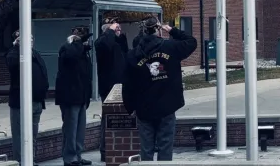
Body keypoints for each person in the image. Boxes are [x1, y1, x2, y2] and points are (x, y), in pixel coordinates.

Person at [122, 16, 197, 161]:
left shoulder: (133, 55)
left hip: (144, 108)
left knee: (146, 148)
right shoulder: (170, 47)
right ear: (158, 30)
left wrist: (130, 107)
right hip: (167, 106)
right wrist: (172, 30)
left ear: (144, 31)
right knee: (165, 146)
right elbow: (191, 42)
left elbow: (128, 84)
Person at [7, 30, 50, 166]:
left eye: (31, 38)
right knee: (20, 135)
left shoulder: (35, 54)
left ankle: (31, 159)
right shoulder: (14, 54)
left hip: (37, 101)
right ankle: (21, 161)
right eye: (26, 39)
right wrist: (16, 47)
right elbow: (12, 65)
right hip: (21, 103)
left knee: (32, 134)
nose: (30, 40)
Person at [55, 27, 93, 166]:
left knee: (80, 129)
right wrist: (77, 43)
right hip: (70, 96)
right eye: (83, 39)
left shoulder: (82, 53)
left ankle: (77, 154)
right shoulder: (67, 48)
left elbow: (86, 76)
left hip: (81, 96)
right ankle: (70, 157)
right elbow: (70, 57)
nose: (86, 42)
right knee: (70, 129)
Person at [95, 19, 128, 161]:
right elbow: (106, 45)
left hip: (121, 85)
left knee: (122, 118)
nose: (117, 30)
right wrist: (110, 30)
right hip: (108, 87)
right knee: (108, 118)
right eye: (114, 29)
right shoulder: (101, 43)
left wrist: (120, 35)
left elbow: (125, 52)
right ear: (106, 32)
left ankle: (120, 147)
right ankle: (105, 150)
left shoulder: (115, 43)